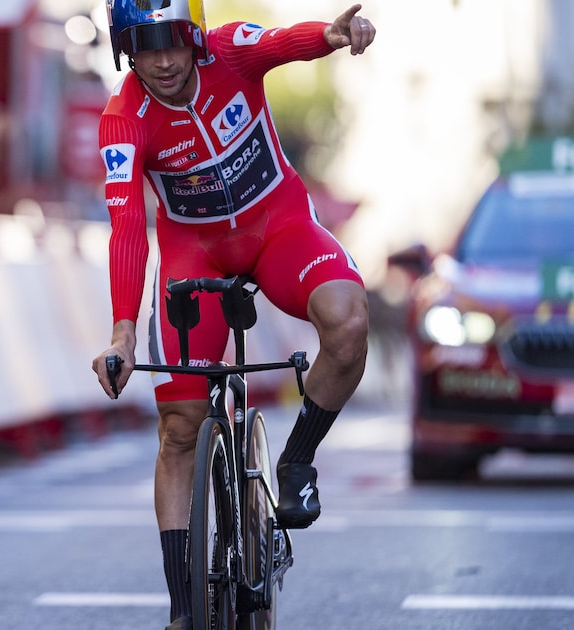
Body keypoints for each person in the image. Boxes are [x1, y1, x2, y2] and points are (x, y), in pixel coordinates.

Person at [89, 3, 375, 629]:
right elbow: (127, 228)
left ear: (194, 39)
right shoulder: (123, 121)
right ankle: (182, 607)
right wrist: (121, 329)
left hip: (280, 230)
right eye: (144, 45)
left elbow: (286, 42)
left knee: (349, 324)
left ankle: (297, 458)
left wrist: (331, 37)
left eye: (174, 43)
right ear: (125, 51)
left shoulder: (230, 52)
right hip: (195, 255)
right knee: (180, 428)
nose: (163, 60)